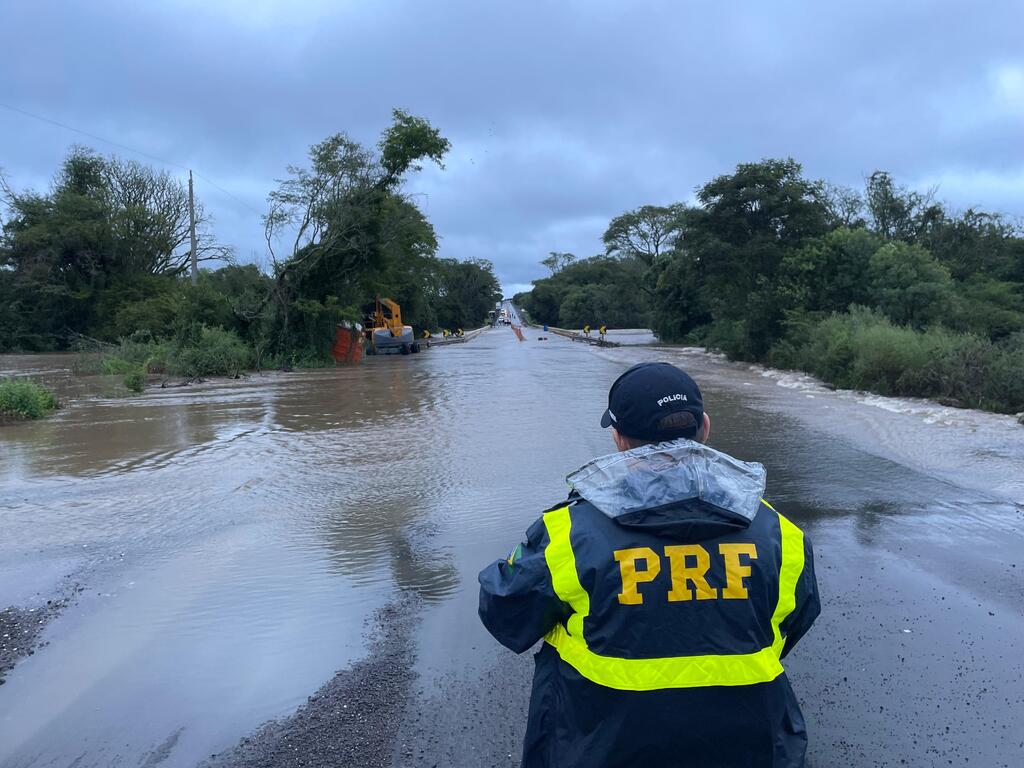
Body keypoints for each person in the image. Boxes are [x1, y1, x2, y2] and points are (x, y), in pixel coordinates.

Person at [478, 362, 820, 768]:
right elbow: (791, 624)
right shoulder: (782, 535)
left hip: (600, 750)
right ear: (704, 428)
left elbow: (505, 611)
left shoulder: (569, 534)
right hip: (753, 751)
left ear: (619, 440)